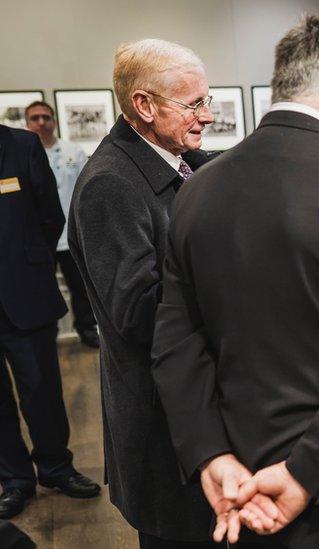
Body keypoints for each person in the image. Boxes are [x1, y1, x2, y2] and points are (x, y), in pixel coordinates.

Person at [151, 15, 319, 548]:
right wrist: (304, 471)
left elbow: (176, 343)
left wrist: (211, 454)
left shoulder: (197, 188)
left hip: (240, 480)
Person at [68, 39, 219, 548]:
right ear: (144, 105)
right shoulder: (110, 185)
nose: (208, 115)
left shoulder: (182, 159)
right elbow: (139, 313)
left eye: (208, 99)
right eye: (194, 103)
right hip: (165, 432)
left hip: (195, 417)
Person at [0, 123, 100, 520]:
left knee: (42, 391)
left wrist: (27, 266)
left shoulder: (21, 145)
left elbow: (50, 216)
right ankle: (15, 480)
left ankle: (56, 468)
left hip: (25, 294)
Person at [24, 101, 98, 348]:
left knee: (80, 288)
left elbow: (86, 189)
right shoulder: (22, 154)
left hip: (71, 234)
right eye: (35, 118)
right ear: (27, 122)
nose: (41, 122)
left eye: (46, 116)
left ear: (54, 121)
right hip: (40, 238)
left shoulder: (72, 151)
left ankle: (87, 330)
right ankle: (48, 332)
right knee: (42, 289)